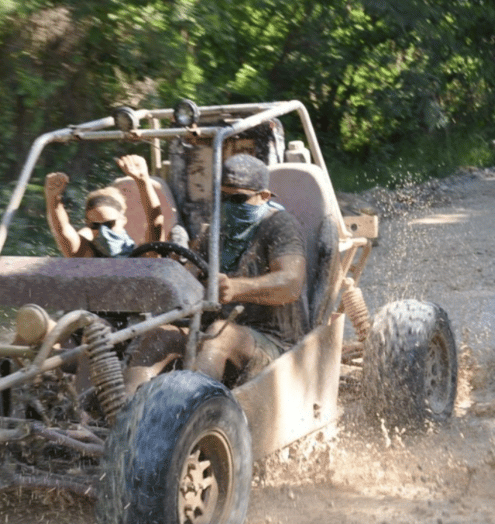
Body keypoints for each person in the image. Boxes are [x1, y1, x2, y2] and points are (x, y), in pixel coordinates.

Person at [127, 153, 307, 389]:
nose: (228, 205)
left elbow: (291, 283)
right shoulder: (216, 231)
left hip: (275, 345)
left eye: (238, 198)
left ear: (263, 197)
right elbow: (188, 277)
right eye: (222, 197)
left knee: (220, 335)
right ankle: (123, 414)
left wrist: (236, 288)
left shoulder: (279, 225)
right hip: (210, 336)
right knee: (158, 335)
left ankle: (191, 413)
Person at [45, 155, 164, 258]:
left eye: (109, 224)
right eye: (95, 225)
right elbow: (62, 230)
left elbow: (156, 223)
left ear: (123, 220)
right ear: (87, 224)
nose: (104, 232)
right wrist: (53, 199)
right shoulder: (84, 254)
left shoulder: (141, 256)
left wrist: (143, 181)